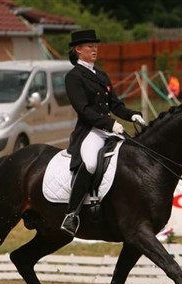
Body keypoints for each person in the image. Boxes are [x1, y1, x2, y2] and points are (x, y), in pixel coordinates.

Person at [61, 29, 146, 236]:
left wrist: (133, 115)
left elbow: (115, 105)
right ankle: (72, 214)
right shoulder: (73, 77)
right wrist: (109, 125)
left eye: (95, 46)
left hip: (109, 129)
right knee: (90, 163)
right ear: (78, 50)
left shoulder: (100, 74)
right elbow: (84, 110)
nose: (94, 49)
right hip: (90, 131)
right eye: (90, 46)